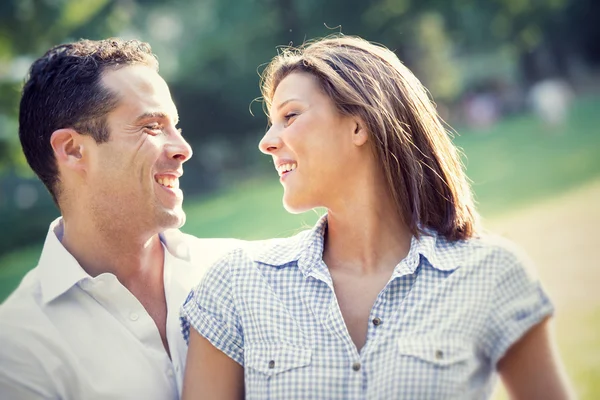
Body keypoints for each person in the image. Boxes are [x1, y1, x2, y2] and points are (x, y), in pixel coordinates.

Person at [180, 36, 574, 399]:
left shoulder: (491, 273)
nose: (267, 141)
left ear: (358, 124)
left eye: (290, 116)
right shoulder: (236, 284)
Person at [0, 38, 241, 399]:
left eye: (176, 126)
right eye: (151, 127)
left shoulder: (237, 270)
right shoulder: (17, 346)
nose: (183, 149)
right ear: (73, 150)